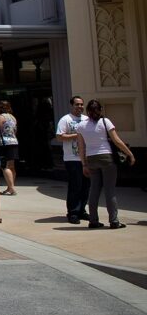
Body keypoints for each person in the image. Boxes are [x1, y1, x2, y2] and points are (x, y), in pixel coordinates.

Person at [77, 99, 136, 229]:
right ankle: (114, 221)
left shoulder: (81, 126)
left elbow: (81, 147)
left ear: (87, 111)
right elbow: (117, 141)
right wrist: (129, 154)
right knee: (110, 190)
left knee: (94, 190)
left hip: (91, 159)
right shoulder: (105, 122)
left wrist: (84, 164)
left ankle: (93, 220)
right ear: (100, 110)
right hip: (106, 157)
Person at [56, 96, 89, 224]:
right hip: (72, 158)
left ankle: (82, 210)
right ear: (72, 105)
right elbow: (59, 137)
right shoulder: (66, 119)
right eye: (77, 104)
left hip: (86, 158)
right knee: (75, 186)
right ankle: (73, 212)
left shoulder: (87, 119)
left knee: (86, 186)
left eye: (81, 104)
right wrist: (77, 135)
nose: (80, 107)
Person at [0, 101, 19, 195]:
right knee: (12, 166)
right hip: (14, 141)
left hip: (5, 142)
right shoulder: (13, 117)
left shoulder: (1, 117)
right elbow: (15, 130)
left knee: (4, 166)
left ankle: (11, 188)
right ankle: (10, 187)